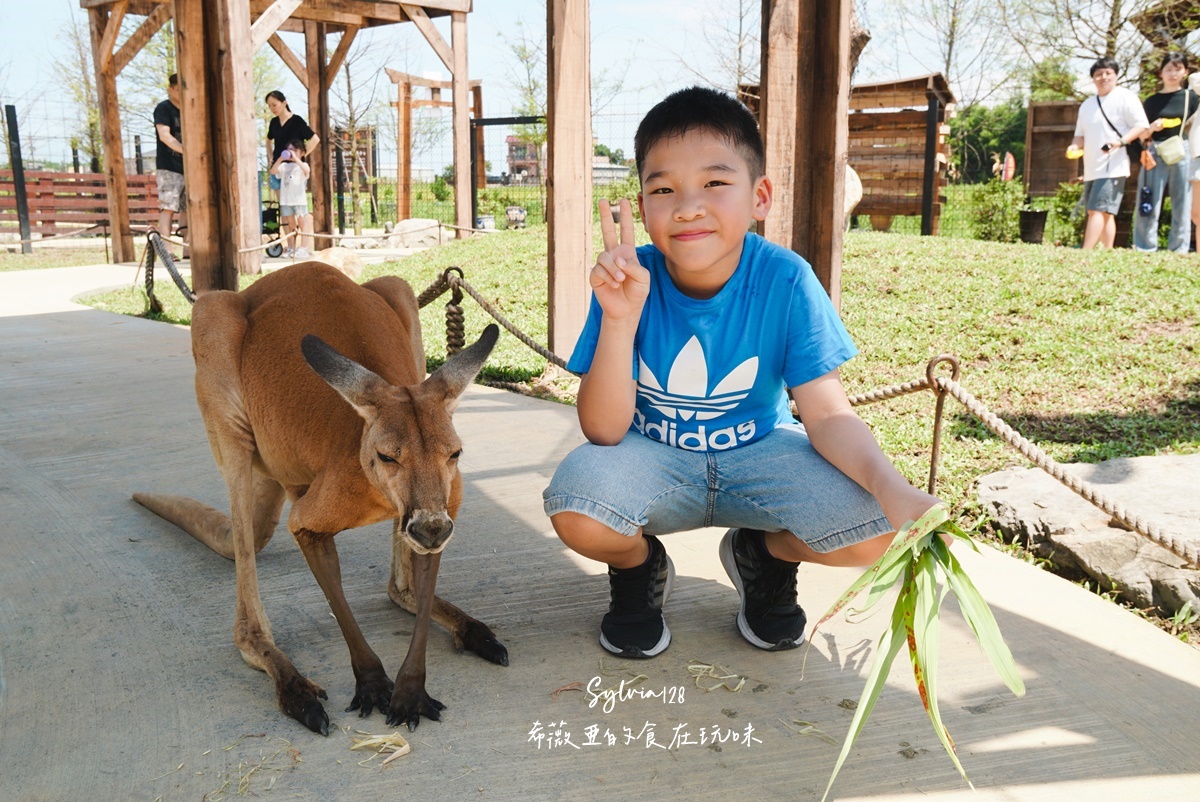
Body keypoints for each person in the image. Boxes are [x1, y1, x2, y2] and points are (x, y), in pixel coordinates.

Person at [541, 86, 941, 659]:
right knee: (578, 505)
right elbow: (604, 431)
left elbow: (826, 413)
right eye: (663, 189)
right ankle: (639, 570)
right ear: (643, 204)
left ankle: (765, 559)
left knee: (879, 526)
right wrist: (621, 319)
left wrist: (894, 489)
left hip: (762, 453)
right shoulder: (630, 280)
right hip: (655, 456)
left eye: (714, 183)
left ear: (760, 196)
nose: (687, 206)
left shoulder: (786, 278)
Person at [1070, 58, 1150, 250]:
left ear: (1116, 75)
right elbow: (1079, 135)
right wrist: (1074, 147)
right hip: (1091, 167)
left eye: (1108, 73)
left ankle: (1086, 252)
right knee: (1105, 213)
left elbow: (1141, 125)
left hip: (1113, 165)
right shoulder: (1087, 105)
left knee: (1095, 210)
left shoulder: (1125, 97)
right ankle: (1107, 250)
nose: (1103, 77)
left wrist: (1121, 142)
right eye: (1098, 74)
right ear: (1092, 78)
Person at [1134, 52, 1199, 254]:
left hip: (1182, 148)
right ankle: (1145, 246)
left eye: (1178, 68)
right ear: (1161, 73)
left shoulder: (1191, 97)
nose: (1172, 73)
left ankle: (1179, 247)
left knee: (1183, 200)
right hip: (1155, 148)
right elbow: (1140, 133)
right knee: (1149, 198)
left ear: (1185, 72)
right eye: (1168, 69)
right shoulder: (1151, 101)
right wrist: (1152, 128)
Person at [265, 90, 319, 202]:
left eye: (274, 105)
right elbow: (268, 141)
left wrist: (299, 156)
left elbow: (315, 139)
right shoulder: (273, 122)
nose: (272, 108)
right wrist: (271, 157)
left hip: (294, 171)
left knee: (295, 208)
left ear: (284, 103)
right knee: (283, 208)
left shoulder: (297, 121)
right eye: (269, 106)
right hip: (277, 169)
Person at [153, 73, 186, 247]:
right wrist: (186, 151)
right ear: (170, 89)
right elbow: (164, 135)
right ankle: (167, 249)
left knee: (188, 208)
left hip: (188, 168)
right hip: (169, 167)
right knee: (168, 207)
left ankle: (188, 249)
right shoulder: (164, 109)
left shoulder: (189, 109)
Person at [271, 139, 313, 259]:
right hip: (286, 201)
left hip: (299, 201)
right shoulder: (284, 166)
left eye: (294, 150)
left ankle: (304, 247)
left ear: (302, 152)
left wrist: (296, 159)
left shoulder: (303, 165)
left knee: (303, 223)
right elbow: (273, 171)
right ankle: (291, 247)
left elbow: (306, 171)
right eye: (289, 150)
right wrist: (280, 158)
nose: (291, 152)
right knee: (290, 224)